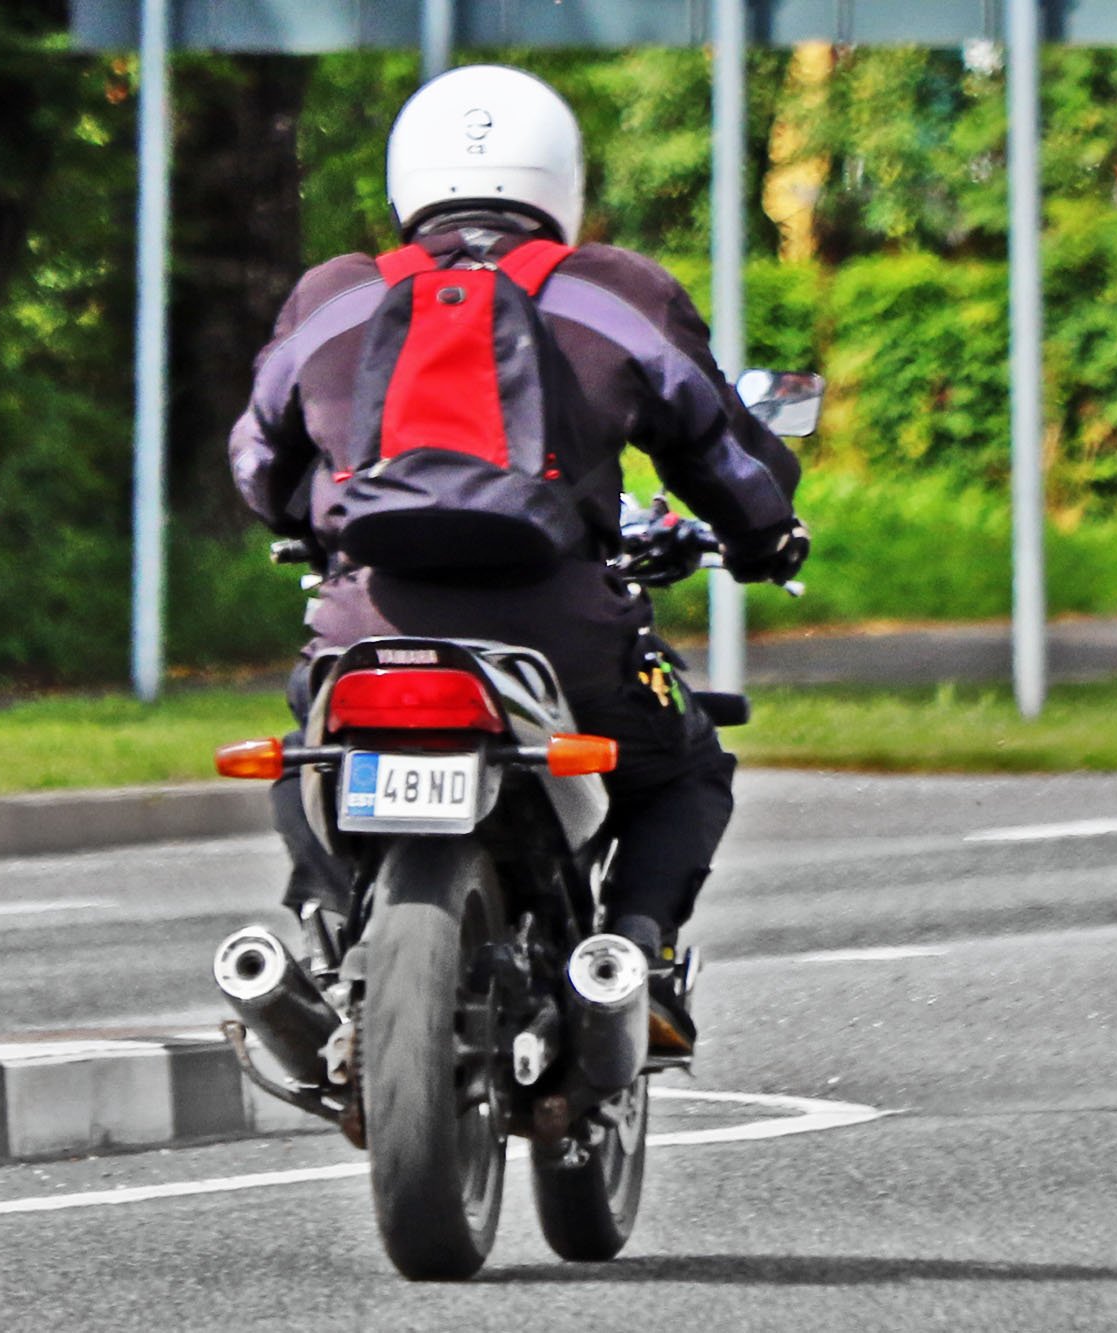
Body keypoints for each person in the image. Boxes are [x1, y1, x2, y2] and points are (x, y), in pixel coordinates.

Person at [227, 65, 807, 1053]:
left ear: (409, 176)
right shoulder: (612, 291)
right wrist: (763, 537)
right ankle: (633, 953)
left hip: (370, 632)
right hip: (565, 641)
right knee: (684, 767)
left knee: (306, 756)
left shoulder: (332, 297)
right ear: (559, 179)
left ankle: (326, 955)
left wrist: (315, 522)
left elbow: (254, 459)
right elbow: (720, 452)